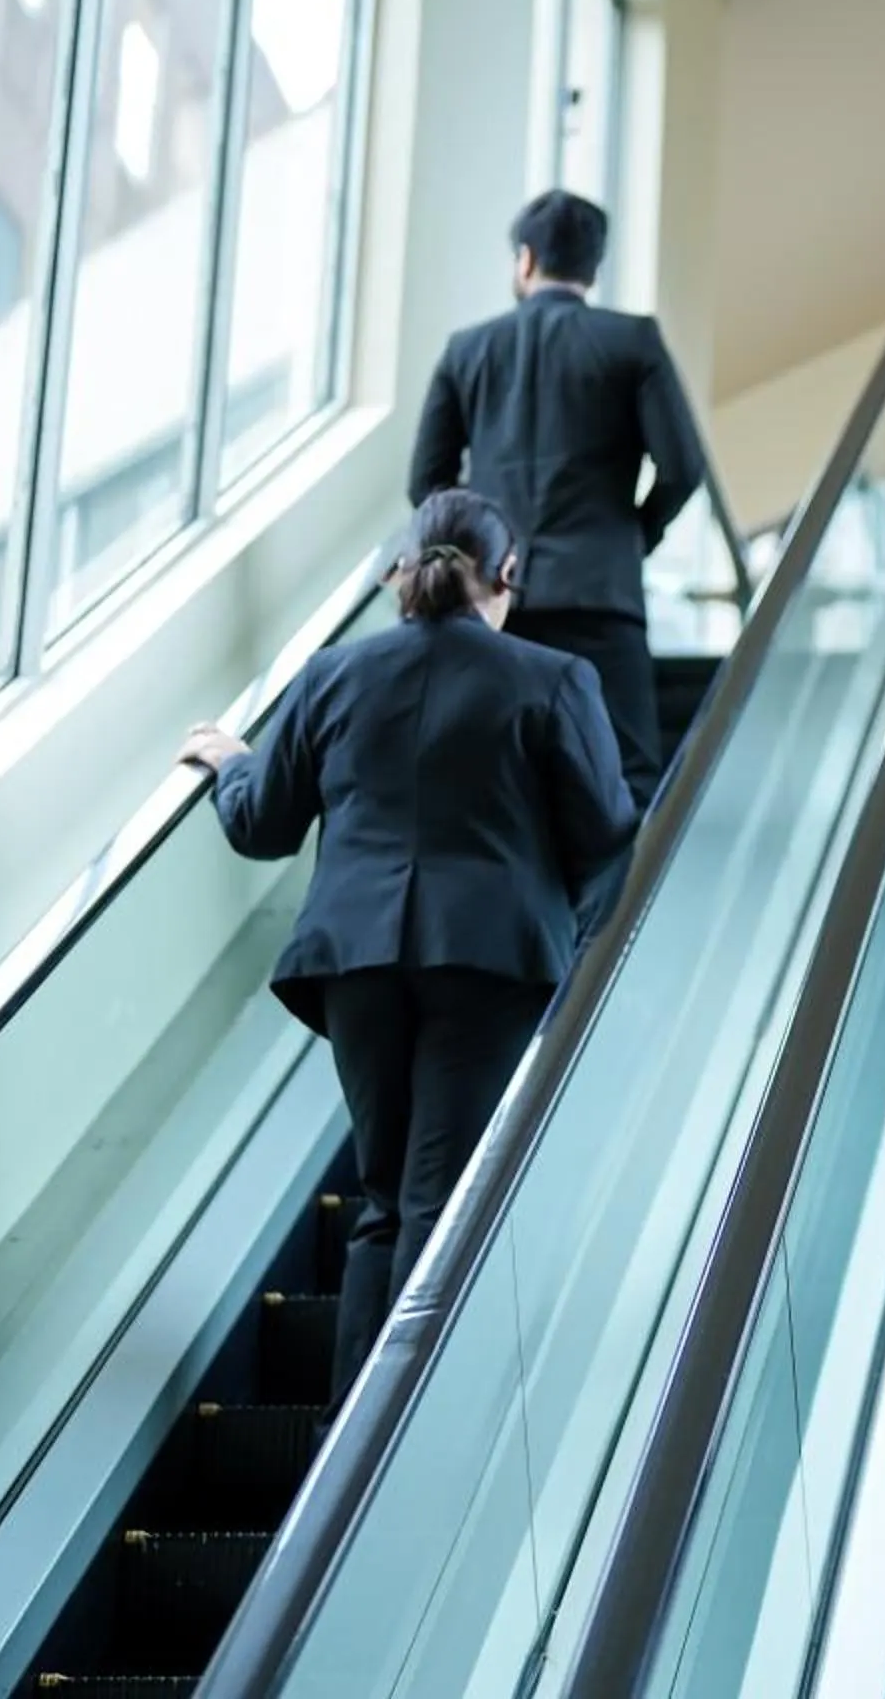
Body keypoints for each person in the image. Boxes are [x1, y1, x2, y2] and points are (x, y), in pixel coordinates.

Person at [177, 488, 636, 1395]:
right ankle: (399, 1445)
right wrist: (569, 939)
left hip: (356, 965)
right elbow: (609, 837)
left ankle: (347, 1454)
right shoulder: (552, 681)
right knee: (442, 1199)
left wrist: (231, 763)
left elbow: (263, 824)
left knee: (383, 1202)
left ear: (400, 574)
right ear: (509, 577)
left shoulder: (333, 677)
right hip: (489, 964)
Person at [409, 190, 706, 811]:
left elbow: (427, 483)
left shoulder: (469, 350)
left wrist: (477, 556)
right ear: (593, 269)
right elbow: (683, 466)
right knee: (623, 780)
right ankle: (613, 912)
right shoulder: (632, 342)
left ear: (525, 260)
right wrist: (631, 538)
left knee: (490, 774)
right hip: (601, 595)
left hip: (491, 599)